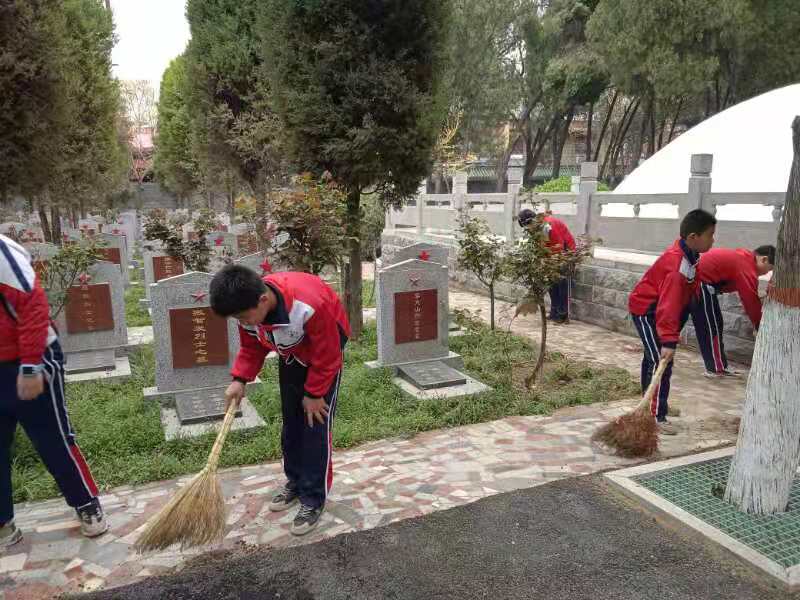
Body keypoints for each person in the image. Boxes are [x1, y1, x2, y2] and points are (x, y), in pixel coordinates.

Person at [210, 265, 350, 536]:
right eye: (237, 318)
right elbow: (252, 346)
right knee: (292, 422)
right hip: (292, 353)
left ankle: (313, 497)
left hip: (324, 357)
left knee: (314, 427)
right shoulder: (248, 310)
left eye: (243, 316)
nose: (243, 322)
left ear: (263, 300)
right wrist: (240, 378)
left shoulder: (309, 305)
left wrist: (314, 393)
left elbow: (329, 354)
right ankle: (296, 482)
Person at [0, 234, 108, 548]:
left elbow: (32, 303)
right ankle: (3, 521)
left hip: (28, 357)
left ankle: (86, 503)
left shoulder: (2, 252)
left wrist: (32, 365)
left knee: (52, 437)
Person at [628, 209, 717, 435]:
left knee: (655, 359)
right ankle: (656, 417)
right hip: (647, 312)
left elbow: (687, 290)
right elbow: (667, 305)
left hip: (661, 312)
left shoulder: (690, 256)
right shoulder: (677, 266)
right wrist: (669, 341)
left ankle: (654, 405)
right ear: (693, 238)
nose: (713, 240)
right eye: (710, 235)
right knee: (660, 360)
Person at [692, 245, 775, 378]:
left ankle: (719, 366)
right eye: (769, 269)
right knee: (711, 328)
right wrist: (759, 325)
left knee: (714, 325)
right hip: (700, 285)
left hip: (699, 284)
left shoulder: (744, 258)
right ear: (764, 259)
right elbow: (750, 300)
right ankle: (716, 369)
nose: (766, 273)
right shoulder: (747, 267)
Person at [517, 208, 576, 324]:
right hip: (551, 256)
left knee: (562, 285)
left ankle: (563, 315)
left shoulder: (549, 226)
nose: (527, 230)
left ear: (532, 221)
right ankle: (554, 312)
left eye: (527, 226)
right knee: (552, 285)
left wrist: (550, 259)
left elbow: (559, 245)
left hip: (565, 254)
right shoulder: (536, 228)